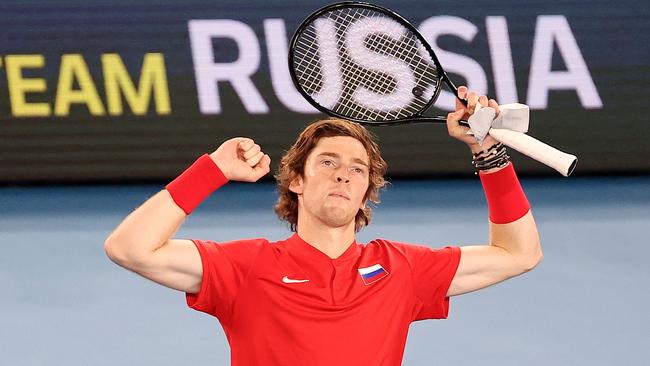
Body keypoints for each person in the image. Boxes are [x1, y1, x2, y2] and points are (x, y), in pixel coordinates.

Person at [104, 86, 541, 365]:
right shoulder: (245, 267)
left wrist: (487, 153)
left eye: (357, 169)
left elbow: (518, 254)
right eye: (327, 162)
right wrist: (212, 170)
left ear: (367, 188)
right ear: (296, 179)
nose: (343, 174)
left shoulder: (402, 268)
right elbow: (130, 248)